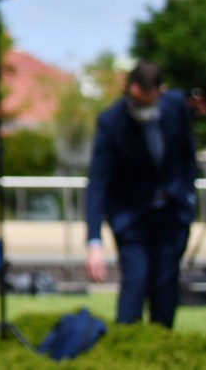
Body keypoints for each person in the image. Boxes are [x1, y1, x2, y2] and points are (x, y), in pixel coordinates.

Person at [85, 61, 200, 327]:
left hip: (172, 214)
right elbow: (97, 183)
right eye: (135, 101)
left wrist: (187, 197)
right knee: (136, 280)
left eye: (147, 103)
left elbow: (186, 156)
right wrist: (94, 240)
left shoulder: (175, 107)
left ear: (161, 91)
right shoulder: (111, 122)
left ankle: (160, 349)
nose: (141, 108)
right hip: (131, 216)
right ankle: (126, 347)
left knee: (165, 284)